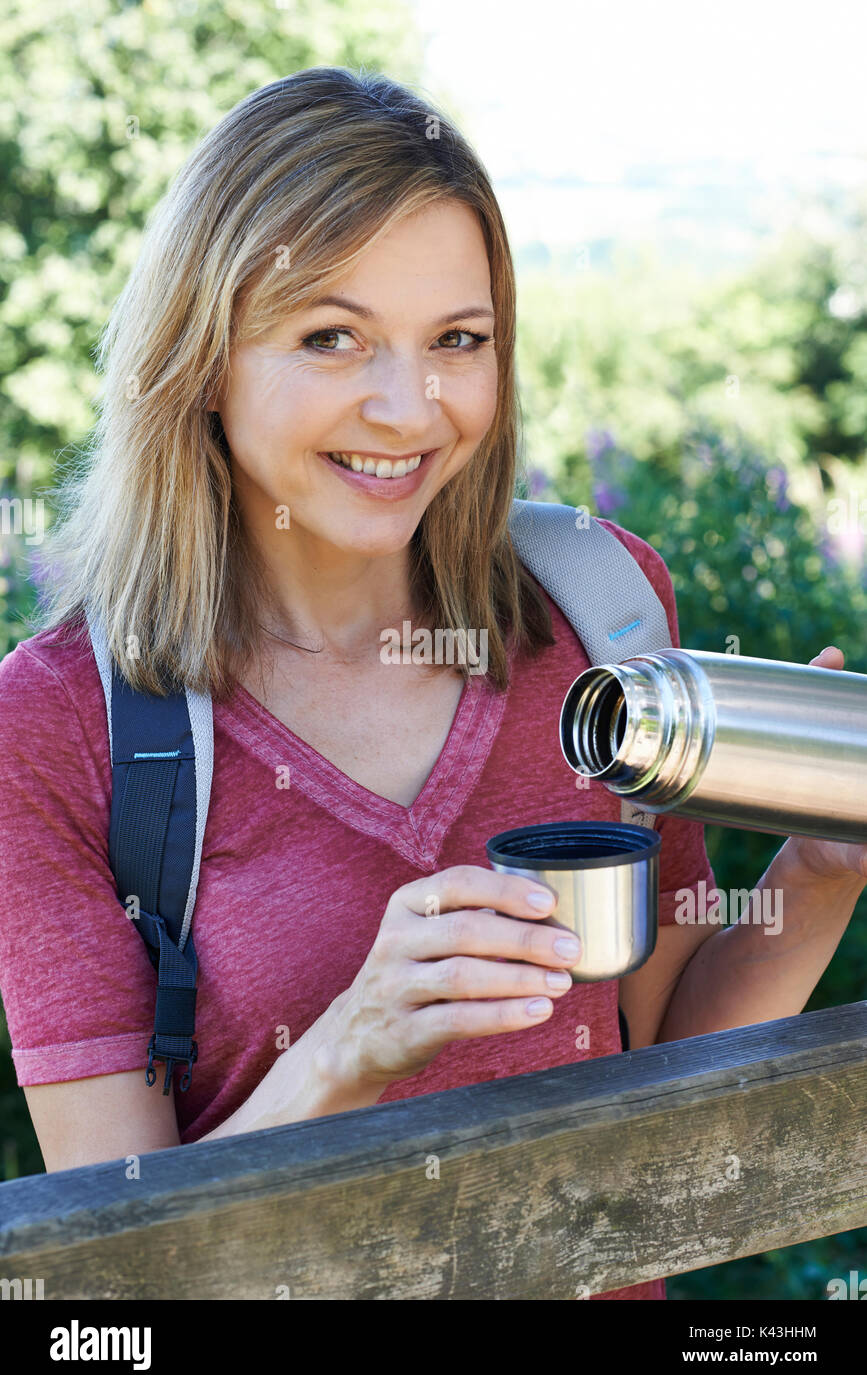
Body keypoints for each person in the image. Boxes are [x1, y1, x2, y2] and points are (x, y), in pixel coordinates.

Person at [0, 68, 864, 1302]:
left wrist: (817, 872)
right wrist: (348, 1049)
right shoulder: (58, 728)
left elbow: (659, 1066)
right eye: (331, 337)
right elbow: (111, 1283)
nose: (410, 409)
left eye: (457, 340)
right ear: (200, 356)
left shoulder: (603, 615)